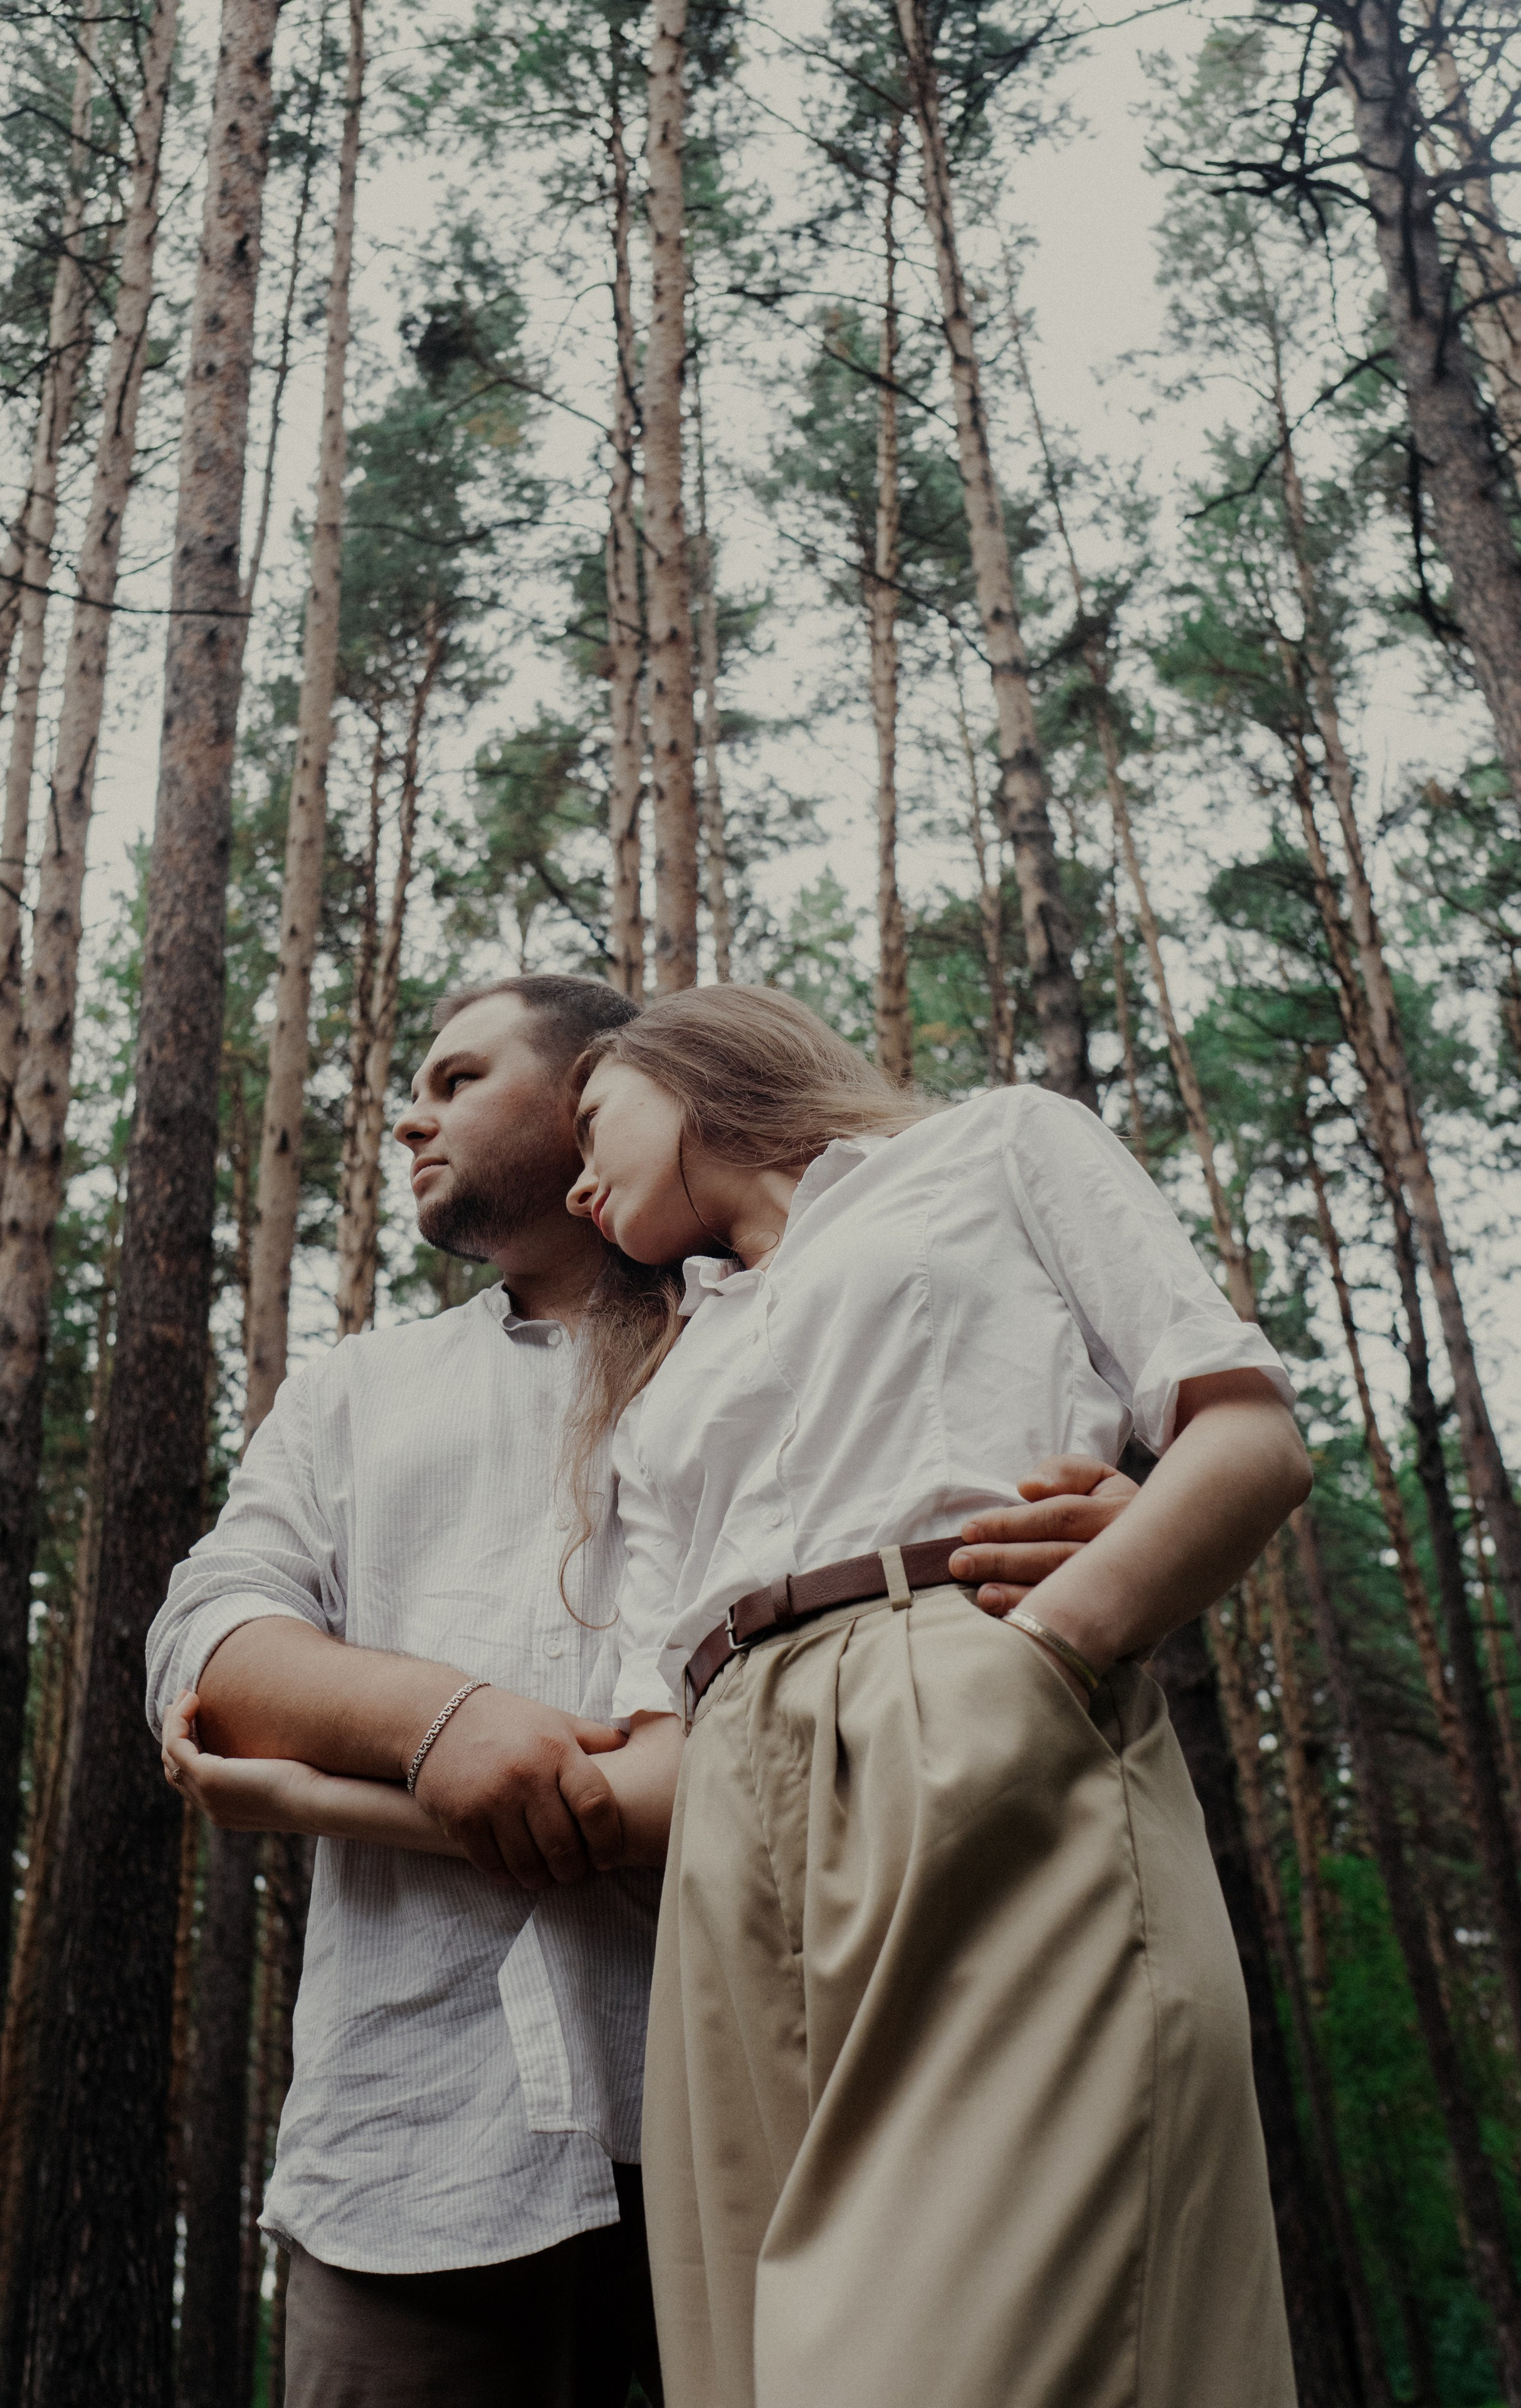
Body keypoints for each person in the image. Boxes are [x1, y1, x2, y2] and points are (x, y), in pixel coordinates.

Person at [150, 973, 1133, 2408]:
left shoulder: (797, 1330)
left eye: (456, 1077)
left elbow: (981, 1542)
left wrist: (1109, 1518)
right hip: (412, 2147)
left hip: (795, 2115)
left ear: (591, 1093)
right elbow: (212, 1651)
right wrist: (438, 1725)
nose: (405, 1117)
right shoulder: (353, 1395)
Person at [558, 984, 1314, 2408]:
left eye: (590, 1126)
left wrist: (1051, 1648)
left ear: (692, 1068)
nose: (576, 1182)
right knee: (756, 2374)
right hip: (723, 1816)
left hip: (967, 1704)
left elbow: (1247, 1436)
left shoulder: (994, 1147)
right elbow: (642, 1754)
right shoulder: (661, 1382)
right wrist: (313, 1780)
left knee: (1001, 2343)